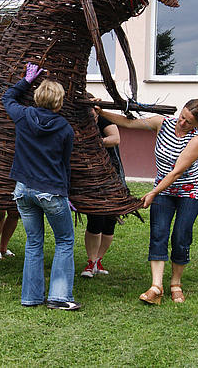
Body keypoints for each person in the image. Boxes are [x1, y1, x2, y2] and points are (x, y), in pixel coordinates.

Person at [98, 99, 198, 304]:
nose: (182, 123)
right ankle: (156, 287)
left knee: (180, 236)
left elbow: (176, 172)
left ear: (197, 124)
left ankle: (175, 283)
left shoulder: (197, 141)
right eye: (182, 117)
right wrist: (102, 112)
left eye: (188, 121)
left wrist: (152, 193)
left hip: (189, 193)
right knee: (158, 234)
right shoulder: (163, 123)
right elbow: (129, 123)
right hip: (163, 191)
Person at [3, 63, 79, 310]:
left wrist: (26, 80)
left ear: (36, 98)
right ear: (59, 103)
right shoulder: (65, 129)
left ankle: (31, 297)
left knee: (34, 242)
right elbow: (64, 165)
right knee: (65, 240)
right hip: (51, 192)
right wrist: (65, 194)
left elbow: (7, 96)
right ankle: (58, 297)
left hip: (23, 190)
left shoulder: (23, 116)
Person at [80, 106, 125, 278]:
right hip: (92, 179)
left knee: (110, 221)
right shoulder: (80, 124)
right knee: (96, 218)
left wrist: (96, 142)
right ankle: (91, 262)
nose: (91, 116)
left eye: (93, 113)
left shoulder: (105, 122)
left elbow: (115, 138)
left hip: (112, 176)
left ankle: (99, 259)